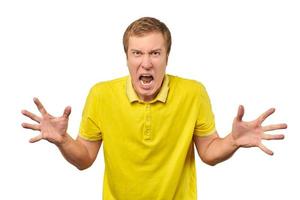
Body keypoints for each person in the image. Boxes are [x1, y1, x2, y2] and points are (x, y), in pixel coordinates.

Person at [21, 17, 287, 200]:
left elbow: (208, 152)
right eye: (137, 53)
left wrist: (233, 141)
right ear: (126, 57)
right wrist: (62, 141)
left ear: (167, 57)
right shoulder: (100, 95)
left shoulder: (193, 93)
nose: (146, 63)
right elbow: (85, 158)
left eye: (155, 53)